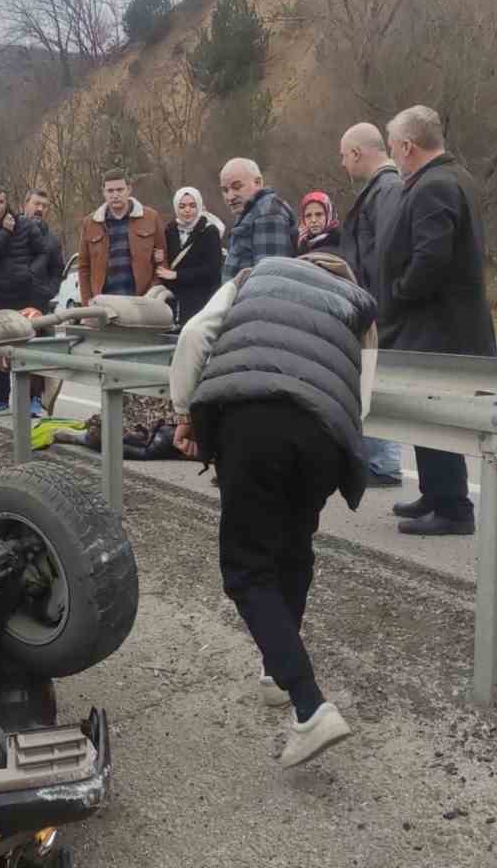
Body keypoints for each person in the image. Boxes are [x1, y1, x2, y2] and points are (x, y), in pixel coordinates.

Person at [170, 251, 378, 767]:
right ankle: (275, 667)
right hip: (325, 432)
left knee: (245, 569)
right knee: (292, 547)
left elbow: (195, 335)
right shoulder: (359, 305)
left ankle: (309, 706)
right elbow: (363, 397)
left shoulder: (253, 275)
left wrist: (183, 413)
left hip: (254, 419)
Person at [379, 104, 497, 536]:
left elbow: (432, 257)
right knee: (424, 415)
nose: (392, 155)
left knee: (432, 413)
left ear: (408, 146)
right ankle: (435, 493)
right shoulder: (452, 178)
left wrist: (398, 293)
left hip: (435, 327)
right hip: (438, 325)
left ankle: (452, 507)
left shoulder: (435, 186)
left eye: (393, 147)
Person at [337, 122, 406, 488]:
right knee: (368, 382)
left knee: (376, 383)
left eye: (344, 156)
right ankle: (376, 459)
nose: (343, 164)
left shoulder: (388, 190)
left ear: (358, 153)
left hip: (379, 308)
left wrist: (377, 306)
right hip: (371, 305)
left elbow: (387, 255)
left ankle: (384, 462)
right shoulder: (380, 191)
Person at [0, 186, 51, 418]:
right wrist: (5, 233)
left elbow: (44, 253)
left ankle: (34, 400)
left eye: (0, 202)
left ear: (7, 203)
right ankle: (0, 399)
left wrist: (31, 273)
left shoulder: (26, 225)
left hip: (26, 297)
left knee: (31, 349)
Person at [78, 167, 167, 303]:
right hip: (104, 304)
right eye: (110, 191)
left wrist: (152, 296)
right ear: (103, 192)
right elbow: (84, 268)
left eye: (120, 190)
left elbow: (162, 261)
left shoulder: (151, 217)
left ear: (129, 189)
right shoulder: (90, 223)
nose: (115, 195)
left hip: (142, 303)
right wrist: (88, 305)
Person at [219, 157, 295, 280]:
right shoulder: (254, 212)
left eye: (237, 187)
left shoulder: (268, 214)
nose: (230, 196)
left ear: (258, 182)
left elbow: (270, 279)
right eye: (225, 190)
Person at [160, 186, 224, 326]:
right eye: (182, 206)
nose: (187, 210)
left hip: (201, 299)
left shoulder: (209, 231)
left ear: (199, 206)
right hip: (175, 300)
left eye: (192, 205)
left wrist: (177, 275)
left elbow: (212, 270)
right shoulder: (170, 230)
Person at [295, 191, 342, 256]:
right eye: (308, 215)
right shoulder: (301, 242)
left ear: (328, 216)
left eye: (319, 214)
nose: (313, 220)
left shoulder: (340, 242)